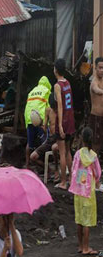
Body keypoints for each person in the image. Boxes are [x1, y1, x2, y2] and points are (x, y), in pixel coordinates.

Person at [69, 126, 101, 255]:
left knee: (79, 219)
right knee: (87, 220)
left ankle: (81, 246)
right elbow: (98, 173)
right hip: (88, 190)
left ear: (81, 139)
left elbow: (73, 169)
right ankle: (87, 248)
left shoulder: (77, 154)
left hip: (78, 189)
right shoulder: (93, 156)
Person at [54, 58, 75, 189]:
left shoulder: (57, 85)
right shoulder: (67, 83)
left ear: (56, 69)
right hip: (71, 119)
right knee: (67, 151)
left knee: (62, 152)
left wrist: (60, 124)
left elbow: (60, 106)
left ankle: (63, 182)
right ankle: (71, 178)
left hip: (63, 120)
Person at [24, 76, 51, 169]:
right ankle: (44, 166)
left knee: (29, 143)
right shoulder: (47, 91)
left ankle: (27, 164)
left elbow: (27, 107)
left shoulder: (31, 92)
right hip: (40, 120)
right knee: (44, 143)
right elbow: (49, 108)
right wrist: (47, 123)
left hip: (29, 119)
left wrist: (27, 122)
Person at [30, 94, 59, 180]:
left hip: (58, 138)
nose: (55, 109)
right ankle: (49, 169)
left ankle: (57, 169)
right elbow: (45, 127)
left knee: (55, 148)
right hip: (49, 139)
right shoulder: (48, 110)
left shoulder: (61, 111)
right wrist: (41, 125)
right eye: (53, 106)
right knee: (33, 157)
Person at [89, 57, 103, 155]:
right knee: (95, 145)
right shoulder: (94, 81)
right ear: (95, 68)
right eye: (100, 68)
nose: (102, 70)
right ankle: (93, 168)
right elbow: (96, 90)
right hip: (96, 117)